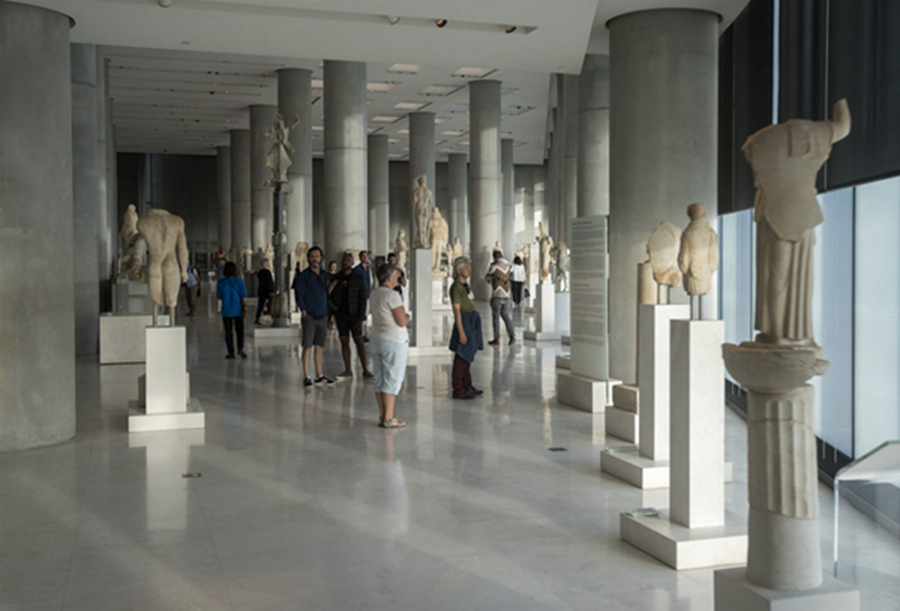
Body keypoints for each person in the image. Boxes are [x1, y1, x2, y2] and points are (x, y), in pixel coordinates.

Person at [369, 263, 410, 428]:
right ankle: (389, 418)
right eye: (396, 275)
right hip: (394, 340)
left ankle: (382, 415)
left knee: (380, 379)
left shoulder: (374, 293)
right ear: (389, 277)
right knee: (392, 380)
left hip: (377, 338)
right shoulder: (392, 295)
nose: (397, 278)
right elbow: (401, 321)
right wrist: (407, 316)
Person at [295, 246, 334, 387]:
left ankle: (319, 374)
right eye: (312, 256)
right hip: (310, 315)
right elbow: (299, 294)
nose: (315, 259)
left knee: (319, 346)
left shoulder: (324, 275)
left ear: (321, 258)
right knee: (307, 346)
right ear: (308, 259)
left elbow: (327, 293)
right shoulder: (304, 276)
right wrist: (303, 310)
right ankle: (306, 376)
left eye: (317, 256)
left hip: (322, 314)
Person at [330, 252, 372, 379]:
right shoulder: (337, 278)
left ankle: (365, 369)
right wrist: (333, 313)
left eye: (348, 260)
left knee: (359, 341)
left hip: (354, 315)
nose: (346, 262)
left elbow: (362, 298)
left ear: (352, 262)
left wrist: (361, 317)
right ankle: (348, 369)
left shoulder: (358, 277)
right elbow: (331, 297)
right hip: (341, 315)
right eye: (344, 260)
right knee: (344, 341)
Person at [449, 257, 484, 399]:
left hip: (471, 320)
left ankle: (467, 385)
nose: (469, 270)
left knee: (468, 356)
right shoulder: (456, 288)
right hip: (464, 320)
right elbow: (457, 311)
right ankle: (458, 388)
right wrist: (461, 332)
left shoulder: (465, 286)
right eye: (466, 268)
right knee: (461, 357)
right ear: (459, 270)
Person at [216, 261, 248, 359]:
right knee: (239, 330)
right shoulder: (239, 281)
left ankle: (231, 352)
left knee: (228, 332)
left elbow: (219, 296)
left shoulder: (221, 283)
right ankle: (240, 348)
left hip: (226, 310)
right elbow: (244, 294)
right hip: (238, 309)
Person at [484, 249, 515, 345]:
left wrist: (491, 267)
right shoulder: (508, 267)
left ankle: (496, 338)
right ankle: (512, 334)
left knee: (496, 317)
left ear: (494, 257)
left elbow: (487, 278)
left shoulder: (493, 267)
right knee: (506, 315)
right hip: (507, 295)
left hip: (497, 295)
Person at [255, 259, 275, 325]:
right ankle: (270, 317)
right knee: (269, 304)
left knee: (261, 305)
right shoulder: (267, 272)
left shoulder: (260, 272)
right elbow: (269, 282)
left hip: (262, 290)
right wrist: (271, 290)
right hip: (266, 291)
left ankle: (257, 318)